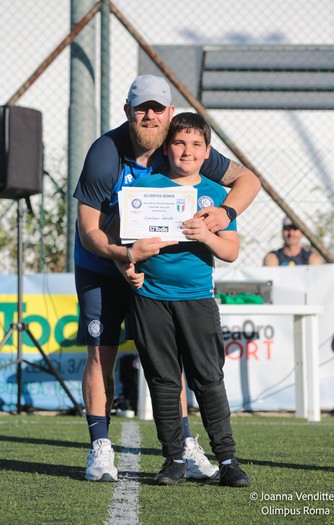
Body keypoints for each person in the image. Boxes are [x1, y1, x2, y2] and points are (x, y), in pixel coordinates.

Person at [73, 74, 261, 482]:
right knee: (101, 352)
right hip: (103, 263)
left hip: (162, 277)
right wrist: (124, 255)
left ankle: (183, 446)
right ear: (128, 112)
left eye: (158, 108)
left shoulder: (183, 143)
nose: (150, 115)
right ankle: (100, 447)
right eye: (142, 108)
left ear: (169, 113)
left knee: (174, 367)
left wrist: (224, 215)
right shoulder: (105, 153)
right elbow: (89, 230)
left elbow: (249, 179)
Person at [119, 112, 251, 487]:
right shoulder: (144, 190)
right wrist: (127, 265)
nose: (187, 151)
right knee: (163, 380)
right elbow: (121, 244)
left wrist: (206, 234)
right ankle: (173, 460)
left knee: (208, 379)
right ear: (167, 147)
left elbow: (230, 252)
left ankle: (227, 460)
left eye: (196, 144)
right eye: (179, 143)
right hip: (151, 299)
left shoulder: (215, 195)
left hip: (197, 299)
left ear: (207, 151)